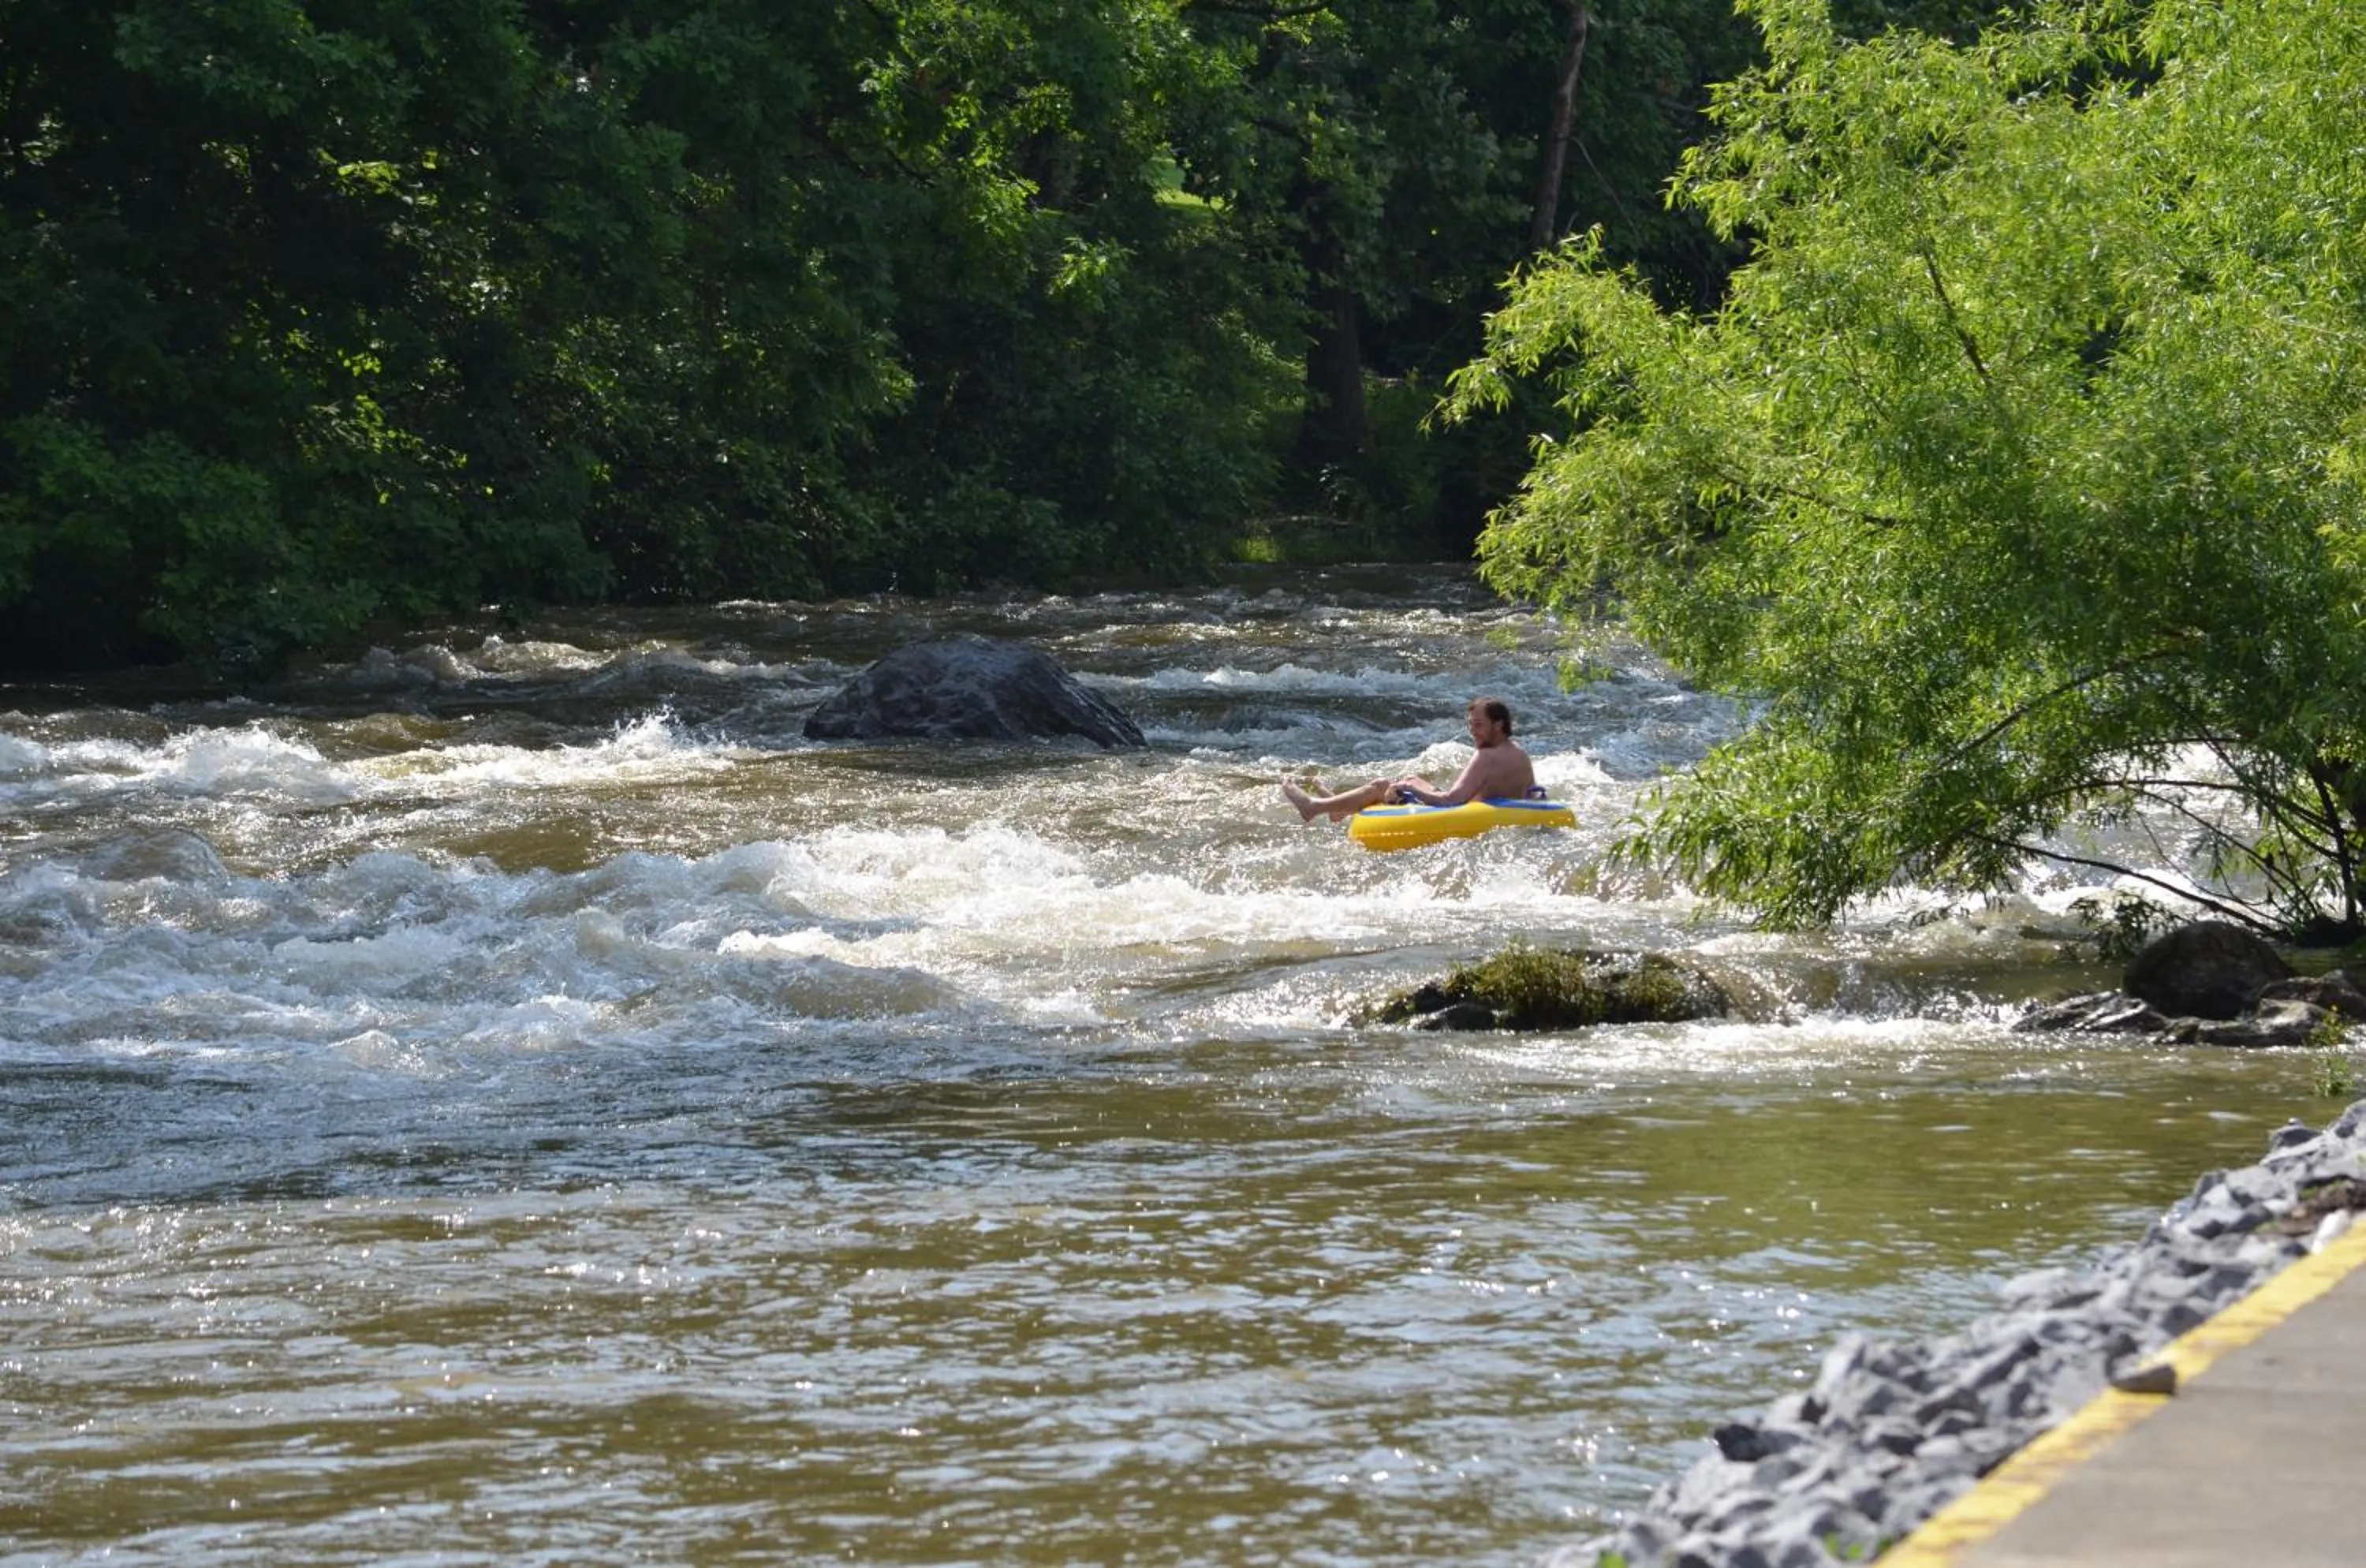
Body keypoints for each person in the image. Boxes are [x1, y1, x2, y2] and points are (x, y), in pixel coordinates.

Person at [1282, 696, 1537, 823]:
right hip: (1489, 810)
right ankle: (1338, 809)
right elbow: (1534, 794)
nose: (1473, 731)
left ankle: (1314, 807)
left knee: (1383, 786)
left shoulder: (1485, 756)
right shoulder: (1520, 753)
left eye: (1479, 725)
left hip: (1460, 815)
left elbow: (1451, 801)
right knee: (1412, 778)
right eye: (1471, 725)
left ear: (1499, 724)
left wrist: (1412, 790)